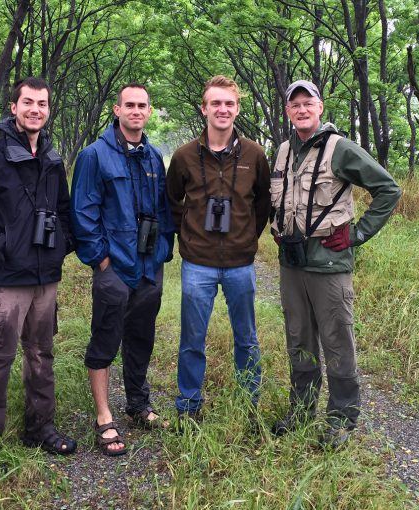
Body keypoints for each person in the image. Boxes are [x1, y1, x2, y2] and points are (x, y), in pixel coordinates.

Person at [269, 80, 401, 447]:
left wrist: (357, 234)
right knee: (299, 338)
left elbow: (388, 189)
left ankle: (342, 419)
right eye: (294, 104)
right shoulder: (281, 151)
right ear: (288, 112)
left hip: (329, 264)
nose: (301, 109)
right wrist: (276, 225)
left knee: (337, 340)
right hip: (291, 263)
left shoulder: (339, 149)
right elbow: (277, 198)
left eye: (307, 102)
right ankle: (301, 409)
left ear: (320, 107)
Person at [0, 77, 77, 473]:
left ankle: (39, 428)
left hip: (45, 278)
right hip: (6, 280)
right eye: (28, 102)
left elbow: (64, 210)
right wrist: (6, 247)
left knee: (41, 354)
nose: (35, 109)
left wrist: (62, 245)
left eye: (42, 103)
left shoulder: (53, 158)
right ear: (13, 107)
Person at [71, 83, 175, 456]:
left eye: (142, 105)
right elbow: (82, 214)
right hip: (114, 266)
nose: (135, 110)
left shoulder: (153, 157)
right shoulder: (94, 156)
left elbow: (163, 211)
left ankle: (138, 404)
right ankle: (104, 416)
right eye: (128, 105)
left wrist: (163, 251)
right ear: (116, 110)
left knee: (141, 337)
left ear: (149, 111)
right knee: (105, 338)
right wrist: (101, 260)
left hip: (149, 267)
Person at [166, 75, 271, 420]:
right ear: (204, 109)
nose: (222, 109)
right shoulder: (183, 157)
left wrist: (247, 238)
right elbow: (172, 201)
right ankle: (189, 406)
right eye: (216, 103)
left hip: (241, 263)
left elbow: (262, 204)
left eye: (229, 103)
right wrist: (190, 233)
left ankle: (248, 403)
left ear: (237, 108)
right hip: (198, 264)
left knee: (247, 337)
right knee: (192, 339)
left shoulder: (255, 154)